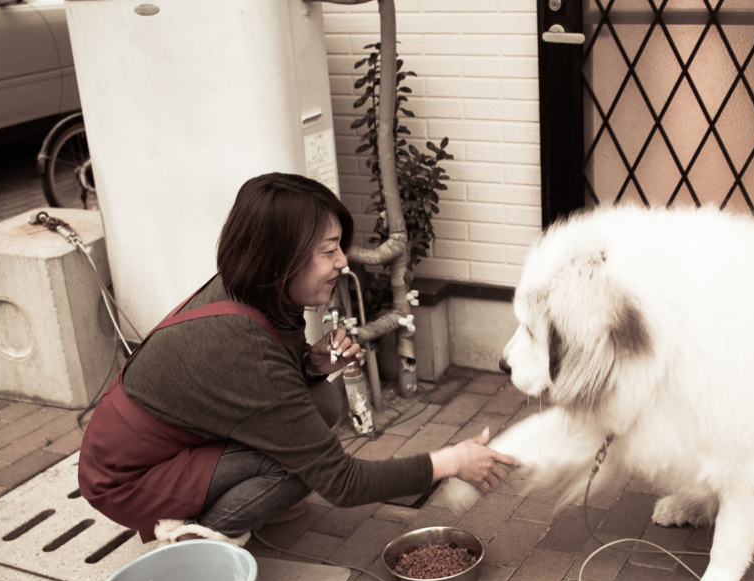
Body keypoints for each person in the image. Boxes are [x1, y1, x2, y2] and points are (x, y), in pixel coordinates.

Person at [79, 172, 516, 545]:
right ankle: (192, 538)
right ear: (278, 260)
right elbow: (342, 483)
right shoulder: (240, 344)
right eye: (328, 251)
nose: (343, 262)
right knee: (301, 469)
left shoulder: (252, 287)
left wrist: (310, 365)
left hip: (163, 444)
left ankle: (239, 499)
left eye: (339, 247)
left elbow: (269, 383)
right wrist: (452, 462)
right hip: (127, 478)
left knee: (323, 402)